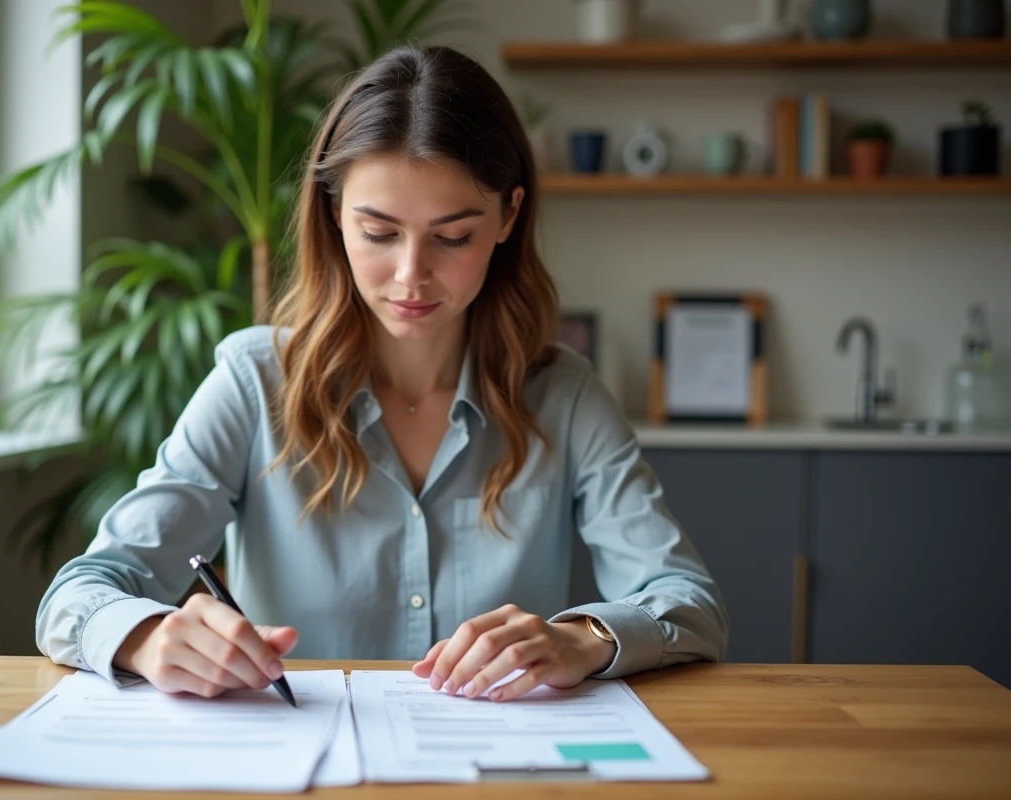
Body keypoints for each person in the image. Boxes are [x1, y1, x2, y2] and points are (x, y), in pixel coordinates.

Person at [36, 44, 728, 704]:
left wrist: (583, 638)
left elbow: (688, 602)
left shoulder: (564, 396)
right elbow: (80, 593)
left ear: (509, 215)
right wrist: (149, 637)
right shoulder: (253, 384)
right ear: (334, 214)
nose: (410, 275)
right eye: (379, 233)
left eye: (452, 236)